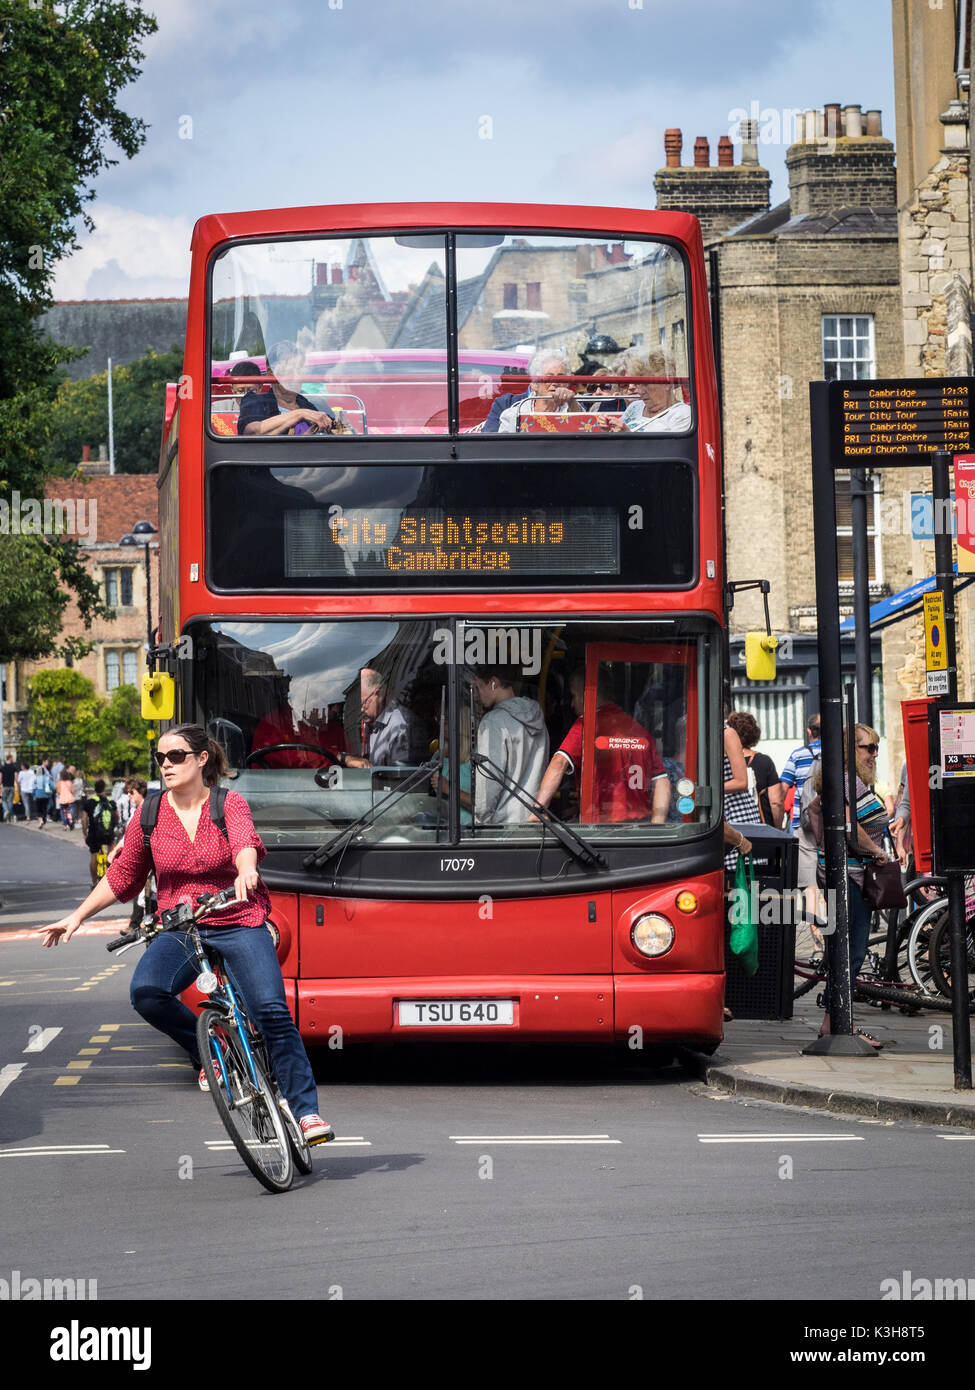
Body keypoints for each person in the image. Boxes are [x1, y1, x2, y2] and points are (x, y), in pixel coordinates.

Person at [40, 723, 334, 1144]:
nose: (166, 765)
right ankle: (209, 1050)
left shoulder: (227, 803)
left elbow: (244, 843)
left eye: (176, 756)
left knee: (270, 1010)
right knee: (146, 992)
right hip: (180, 925)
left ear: (201, 759)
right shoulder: (150, 814)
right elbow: (123, 876)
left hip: (236, 917)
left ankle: (306, 1114)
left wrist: (247, 870)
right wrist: (77, 916)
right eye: (160, 757)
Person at [807, 724, 891, 1049]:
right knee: (852, 951)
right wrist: (876, 851)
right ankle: (837, 1024)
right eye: (867, 748)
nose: (873, 754)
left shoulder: (843, 780)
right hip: (850, 877)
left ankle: (835, 1022)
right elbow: (846, 824)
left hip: (845, 874)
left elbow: (820, 813)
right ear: (848, 751)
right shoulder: (845, 780)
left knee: (845, 951)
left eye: (875, 748)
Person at [533, 668, 670, 824]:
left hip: (603, 829)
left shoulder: (588, 725)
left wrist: (538, 809)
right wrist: (657, 824)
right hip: (641, 827)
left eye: (574, 696)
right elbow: (661, 780)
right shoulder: (639, 730)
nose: (571, 704)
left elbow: (560, 761)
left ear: (587, 695)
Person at [464, 666, 548, 825]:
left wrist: (481, 819)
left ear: (494, 683)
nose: (475, 694)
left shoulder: (493, 722)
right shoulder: (539, 720)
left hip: (503, 829)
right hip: (534, 824)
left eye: (478, 687)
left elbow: (488, 784)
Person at [237, 341, 337, 438]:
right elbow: (252, 432)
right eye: (290, 370)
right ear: (271, 372)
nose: (297, 377)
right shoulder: (256, 400)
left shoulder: (313, 403)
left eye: (299, 369)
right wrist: (300, 414)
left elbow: (338, 430)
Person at [342, 668, 429, 769]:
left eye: (364, 703)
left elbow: (401, 777)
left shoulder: (401, 726)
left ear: (379, 693)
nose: (361, 709)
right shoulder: (370, 722)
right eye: (359, 705)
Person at [780, 713, 822, 914]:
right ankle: (836, 933)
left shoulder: (797, 755)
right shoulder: (839, 754)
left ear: (809, 731)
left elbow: (783, 788)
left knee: (809, 884)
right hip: (831, 824)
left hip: (802, 822)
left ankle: (817, 940)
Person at [481, 349, 580, 433]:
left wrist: (571, 402)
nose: (555, 382)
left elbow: (583, 430)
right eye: (548, 377)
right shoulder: (512, 411)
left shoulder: (573, 406)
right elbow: (491, 443)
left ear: (567, 383)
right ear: (534, 384)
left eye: (561, 378)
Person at [603, 349, 691, 432]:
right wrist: (610, 429)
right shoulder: (635, 406)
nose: (640, 391)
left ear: (666, 384)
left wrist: (627, 436)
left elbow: (672, 448)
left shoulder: (683, 414)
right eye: (638, 383)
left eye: (646, 384)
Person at [727, 710, 784, 827]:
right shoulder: (764, 761)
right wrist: (778, 829)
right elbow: (776, 802)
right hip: (761, 827)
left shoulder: (724, 762)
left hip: (732, 824)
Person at [723, 717, 756, 871]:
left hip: (735, 811)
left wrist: (705, 791)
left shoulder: (727, 733)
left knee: (738, 873)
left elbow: (741, 782)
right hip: (718, 810)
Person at [81, 779, 119, 886]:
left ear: (95, 789)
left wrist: (85, 833)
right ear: (104, 789)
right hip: (108, 832)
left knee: (94, 855)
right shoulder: (111, 802)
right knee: (111, 851)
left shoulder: (89, 802)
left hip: (94, 833)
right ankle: (110, 879)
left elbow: (84, 820)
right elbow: (117, 817)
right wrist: (113, 826)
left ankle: (94, 882)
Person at [1, 754, 16, 823]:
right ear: (9, 758)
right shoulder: (14, 767)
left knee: (4, 800)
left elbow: (0, 778)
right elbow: (16, 777)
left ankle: (6, 811)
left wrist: (0, 786)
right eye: (12, 758)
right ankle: (8, 819)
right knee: (10, 802)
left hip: (5, 786)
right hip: (12, 786)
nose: (13, 760)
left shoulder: (2, 768)